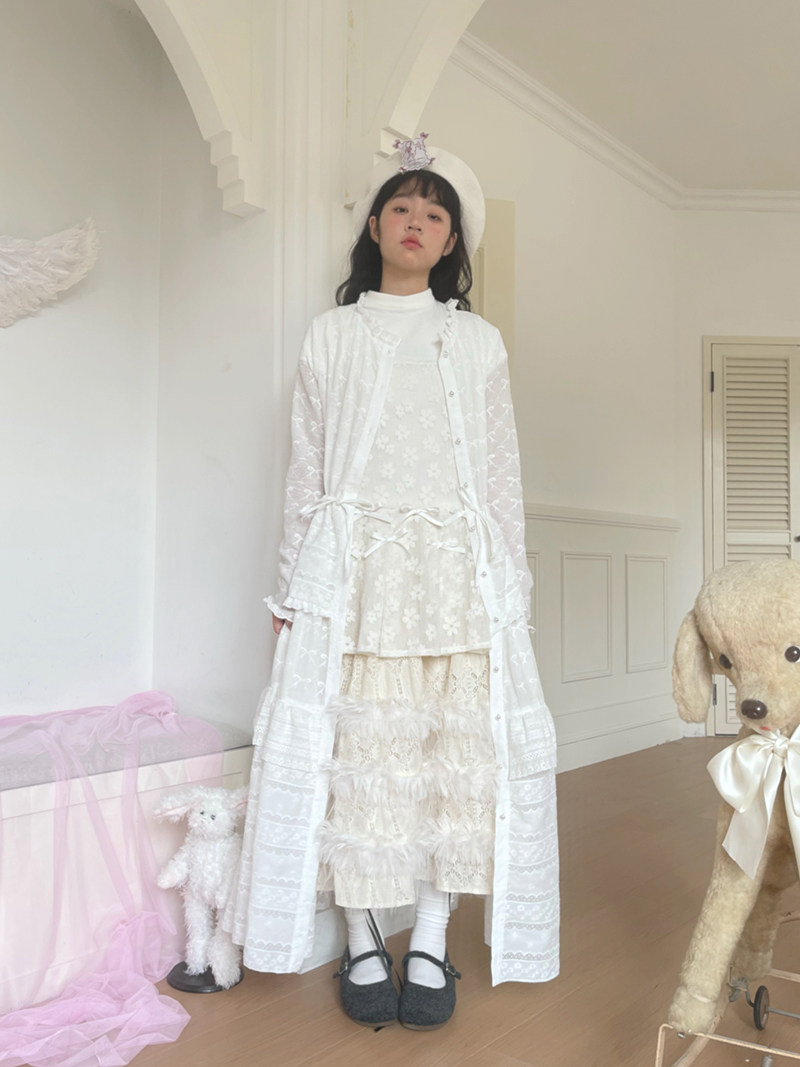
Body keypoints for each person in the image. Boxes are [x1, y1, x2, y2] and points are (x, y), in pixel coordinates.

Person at [227, 135, 559, 1031]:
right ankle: (363, 934)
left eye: (434, 213)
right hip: (356, 572)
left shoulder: (477, 342)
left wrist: (512, 587)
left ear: (451, 240)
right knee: (360, 756)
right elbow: (305, 471)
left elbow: (502, 475)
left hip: (457, 572)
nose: (417, 222)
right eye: (402, 207)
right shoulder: (331, 333)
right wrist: (294, 588)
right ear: (374, 226)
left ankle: (433, 934)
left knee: (453, 758)